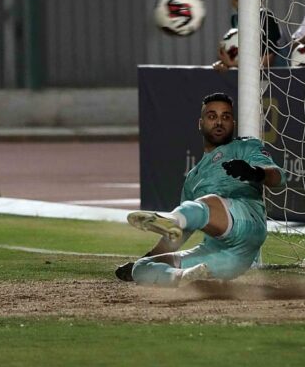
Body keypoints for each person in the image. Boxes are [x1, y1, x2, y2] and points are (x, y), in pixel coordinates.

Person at [115, 92, 282, 286]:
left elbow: (278, 178)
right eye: (212, 116)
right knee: (142, 268)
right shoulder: (193, 178)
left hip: (248, 226)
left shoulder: (246, 147)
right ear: (200, 123)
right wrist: (149, 257)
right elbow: (178, 235)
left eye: (225, 117)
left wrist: (254, 172)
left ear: (233, 123)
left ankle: (172, 219)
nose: (219, 122)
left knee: (204, 205)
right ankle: (183, 277)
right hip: (225, 258)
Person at [213, 0, 286, 72]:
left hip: (278, 76)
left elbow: (266, 62)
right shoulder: (236, 20)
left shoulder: (265, 18)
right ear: (233, 2)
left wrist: (232, 64)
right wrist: (224, 63)